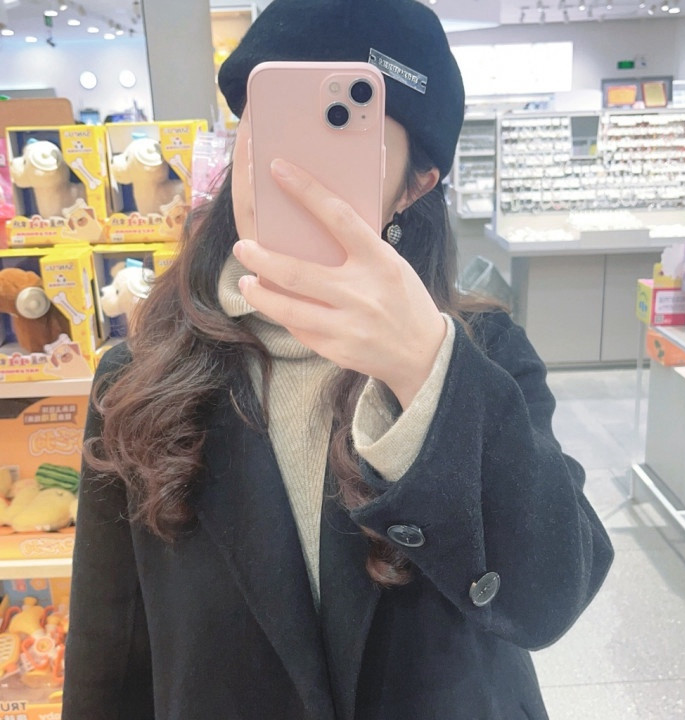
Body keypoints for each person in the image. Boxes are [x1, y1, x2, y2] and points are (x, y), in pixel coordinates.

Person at [62, 0, 614, 718]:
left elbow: (549, 599)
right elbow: (110, 649)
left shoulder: (482, 354)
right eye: (272, 122)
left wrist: (426, 371)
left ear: (415, 185)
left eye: (341, 135)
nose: (291, 167)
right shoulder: (140, 378)